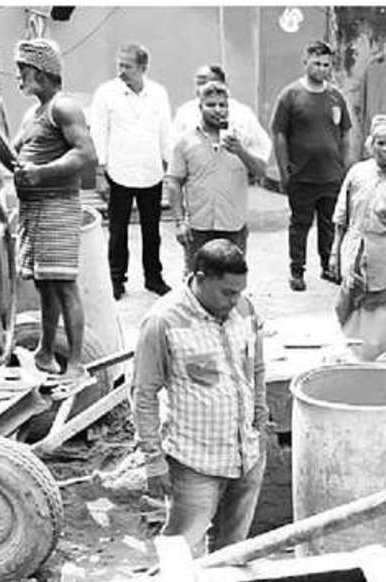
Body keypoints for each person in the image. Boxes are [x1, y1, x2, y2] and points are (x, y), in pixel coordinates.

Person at [134, 239, 267, 556]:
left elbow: (257, 367)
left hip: (246, 456)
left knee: (232, 553)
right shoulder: (163, 321)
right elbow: (143, 394)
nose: (234, 301)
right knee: (180, 552)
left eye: (239, 292)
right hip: (194, 465)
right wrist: (153, 461)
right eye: (227, 292)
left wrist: (260, 419)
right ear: (200, 277)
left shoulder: (245, 310)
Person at [0, 39, 97, 381]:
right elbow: (15, 158)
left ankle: (76, 363)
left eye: (22, 70)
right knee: (46, 284)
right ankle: (44, 351)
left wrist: (41, 173)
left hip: (57, 206)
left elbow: (85, 154)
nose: (17, 76)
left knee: (64, 284)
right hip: (35, 208)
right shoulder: (33, 113)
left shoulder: (64, 107)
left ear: (40, 72)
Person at [91, 43, 174, 299]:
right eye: (120, 65)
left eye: (127, 66)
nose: (122, 71)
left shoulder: (158, 93)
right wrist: (100, 172)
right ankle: (116, 280)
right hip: (119, 172)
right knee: (118, 231)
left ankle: (154, 278)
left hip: (151, 171)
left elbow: (165, 132)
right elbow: (98, 133)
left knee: (152, 231)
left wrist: (170, 167)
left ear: (143, 67)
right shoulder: (106, 94)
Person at [329, 123, 386, 362]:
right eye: (380, 143)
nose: (385, 149)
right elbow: (341, 216)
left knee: (381, 310)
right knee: (348, 303)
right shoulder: (357, 173)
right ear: (371, 145)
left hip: (385, 254)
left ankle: (381, 357)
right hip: (354, 248)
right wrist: (335, 252)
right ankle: (352, 353)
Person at [271, 40, 352, 292]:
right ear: (305, 62)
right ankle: (297, 270)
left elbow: (345, 133)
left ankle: (328, 266)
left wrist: (344, 166)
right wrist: (284, 170)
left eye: (326, 65)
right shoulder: (290, 95)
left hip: (331, 176)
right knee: (300, 224)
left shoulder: (336, 96)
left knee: (329, 224)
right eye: (316, 63)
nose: (322, 69)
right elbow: (279, 134)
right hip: (302, 176)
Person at [166, 81, 269, 271]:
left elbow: (261, 171)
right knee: (197, 278)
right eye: (211, 105)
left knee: (231, 280)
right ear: (200, 107)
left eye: (222, 105)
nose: (218, 110)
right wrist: (179, 222)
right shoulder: (185, 142)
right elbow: (174, 182)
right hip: (198, 228)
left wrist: (241, 151)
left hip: (233, 227)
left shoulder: (242, 139)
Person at [171, 64, 272, 164]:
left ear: (222, 84)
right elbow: (173, 148)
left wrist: (246, 159)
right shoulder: (185, 113)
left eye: (205, 82)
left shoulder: (243, 113)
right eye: (198, 83)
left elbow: (263, 147)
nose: (201, 88)